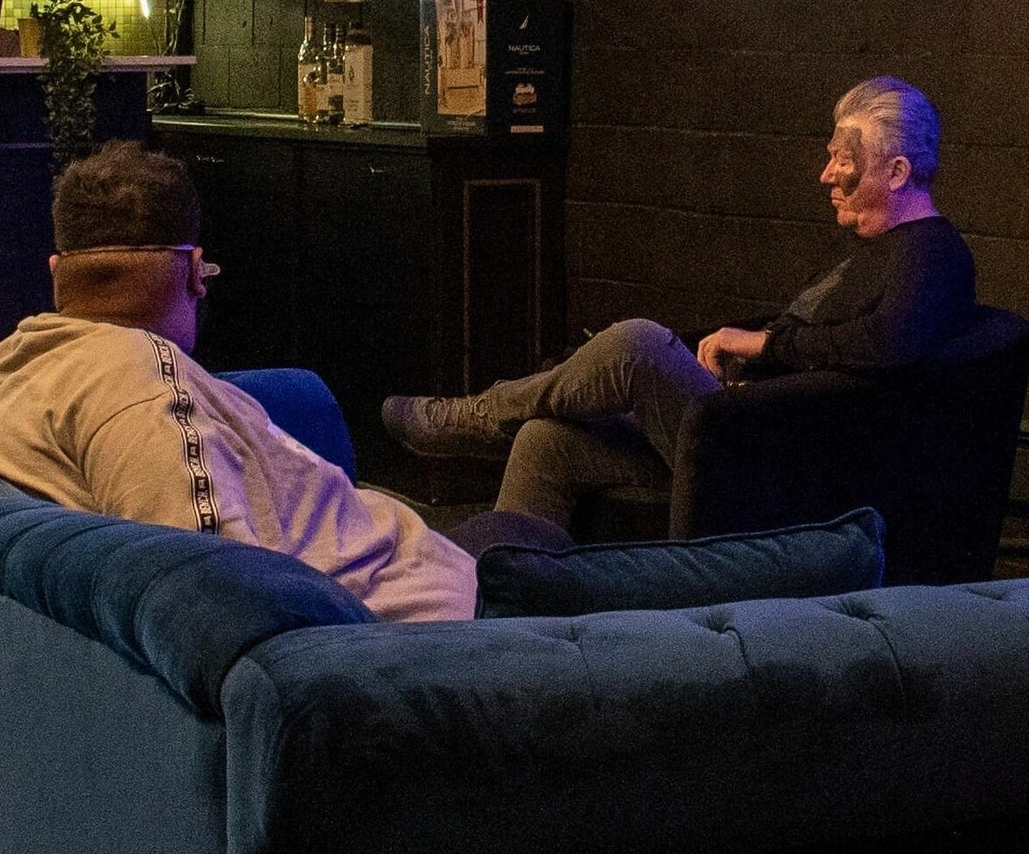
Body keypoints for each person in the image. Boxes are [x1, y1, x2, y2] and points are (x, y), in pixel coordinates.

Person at [0, 144, 562, 620]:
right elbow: (210, 592)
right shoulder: (139, 385)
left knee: (529, 518)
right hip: (432, 614)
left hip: (388, 553)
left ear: (58, 270)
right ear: (196, 271)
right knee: (548, 546)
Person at [380, 77, 975, 533]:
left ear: (896, 172)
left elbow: (886, 344)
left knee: (637, 343)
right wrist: (735, 347)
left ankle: (480, 417)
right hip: (745, 423)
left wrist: (764, 345)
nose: (825, 175)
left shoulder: (934, 255)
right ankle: (511, 609)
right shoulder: (881, 252)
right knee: (544, 441)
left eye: (843, 161)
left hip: (778, 459)